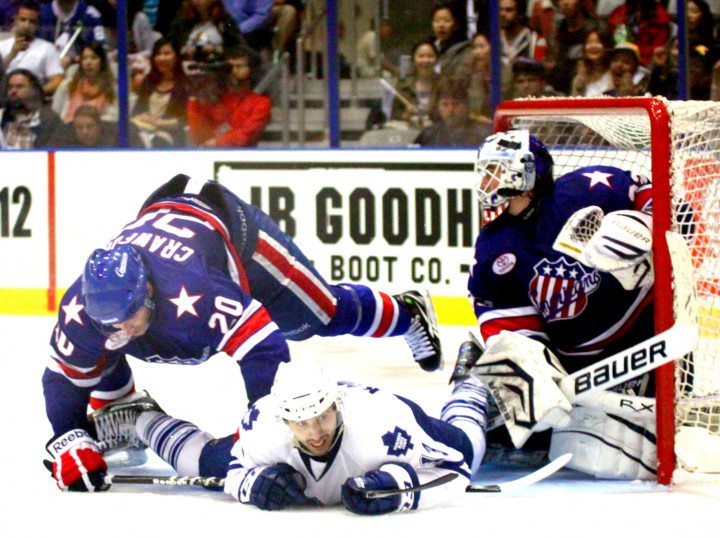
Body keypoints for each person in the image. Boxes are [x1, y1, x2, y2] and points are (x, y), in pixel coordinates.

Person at [42, 174, 443, 492]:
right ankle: (122, 416)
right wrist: (68, 437)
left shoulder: (196, 291)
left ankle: (408, 314)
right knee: (95, 351)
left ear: (148, 289)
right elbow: (62, 376)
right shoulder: (82, 309)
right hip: (175, 227)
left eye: (129, 315)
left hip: (236, 237)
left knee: (319, 315)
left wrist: (266, 430)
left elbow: (264, 348)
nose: (121, 327)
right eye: (108, 320)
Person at [464, 129, 675, 480]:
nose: (485, 180)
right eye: (484, 170)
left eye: (495, 170)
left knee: (635, 457)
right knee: (505, 364)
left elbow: (676, 210)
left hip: (648, 344)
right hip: (577, 366)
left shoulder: (587, 189)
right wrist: (533, 374)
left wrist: (647, 228)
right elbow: (511, 328)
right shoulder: (494, 246)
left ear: (526, 174)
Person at [85, 357, 489, 513]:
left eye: (322, 417)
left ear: (336, 406)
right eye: (301, 422)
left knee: (467, 444)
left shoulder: (385, 425)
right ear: (284, 420)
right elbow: (235, 472)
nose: (315, 434)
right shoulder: (264, 430)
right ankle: (139, 417)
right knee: (207, 460)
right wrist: (252, 484)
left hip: (396, 418)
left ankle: (473, 381)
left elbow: (457, 469)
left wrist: (400, 487)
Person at [186, 45, 270, 147]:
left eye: (239, 67)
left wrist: (216, 142)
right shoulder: (214, 98)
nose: (233, 71)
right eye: (229, 67)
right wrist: (194, 100)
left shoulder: (261, 103)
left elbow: (246, 136)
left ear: (252, 71)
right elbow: (197, 135)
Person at [131, 37, 188, 147]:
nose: (162, 58)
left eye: (167, 54)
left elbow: (184, 121)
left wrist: (157, 123)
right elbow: (135, 112)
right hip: (143, 130)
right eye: (158, 54)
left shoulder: (184, 85)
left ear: (176, 56)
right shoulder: (149, 81)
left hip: (168, 134)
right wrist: (141, 119)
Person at [0, 1, 63, 96]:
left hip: (33, 103)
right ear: (15, 19)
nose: (26, 25)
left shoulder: (47, 48)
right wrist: (12, 54)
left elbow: (58, 80)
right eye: (23, 20)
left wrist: (35, 94)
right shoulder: (2, 46)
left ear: (37, 23)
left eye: (32, 21)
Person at [413, 78, 492, 147]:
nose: (451, 109)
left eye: (456, 104)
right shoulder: (428, 135)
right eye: (445, 104)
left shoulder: (486, 134)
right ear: (438, 107)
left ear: (466, 106)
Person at [51, 42, 117, 122]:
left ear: (102, 62)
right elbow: (54, 113)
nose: (88, 62)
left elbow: (114, 118)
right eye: (84, 58)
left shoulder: (111, 88)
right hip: (66, 130)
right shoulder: (68, 85)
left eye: (94, 58)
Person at [0, 67, 62, 147]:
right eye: (10, 87)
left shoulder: (49, 120)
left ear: (34, 90)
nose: (13, 91)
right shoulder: (1, 116)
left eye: (20, 87)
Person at [37, 0, 106, 67]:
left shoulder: (90, 14)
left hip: (80, 67)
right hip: (48, 65)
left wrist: (74, 59)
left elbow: (100, 51)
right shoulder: (42, 14)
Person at [570, 28, 614, 96]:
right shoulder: (580, 74)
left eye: (598, 42)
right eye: (589, 43)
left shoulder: (614, 73)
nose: (593, 46)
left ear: (606, 47)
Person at [53, 103, 117, 147]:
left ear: (99, 125)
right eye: (79, 127)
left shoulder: (115, 138)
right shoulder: (64, 139)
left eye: (90, 126)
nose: (84, 132)